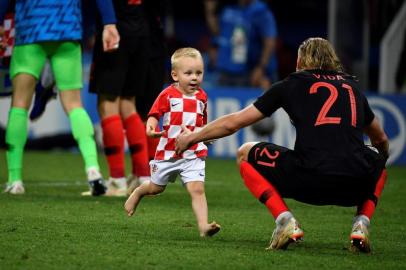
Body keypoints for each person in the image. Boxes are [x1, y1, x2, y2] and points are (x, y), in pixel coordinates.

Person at [176, 38, 389, 252]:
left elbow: (233, 123)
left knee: (244, 153)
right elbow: (380, 140)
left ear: (302, 60)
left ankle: (285, 220)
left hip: (308, 178)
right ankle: (361, 223)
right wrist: (377, 162)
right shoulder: (353, 88)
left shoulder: (292, 83)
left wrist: (193, 137)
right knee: (379, 162)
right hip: (351, 185)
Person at [0, 0, 120, 195]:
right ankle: (93, 171)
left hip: (30, 31)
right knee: (74, 105)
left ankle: (15, 180)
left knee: (20, 104)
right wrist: (109, 22)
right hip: (67, 30)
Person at [124, 47, 221, 237]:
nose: (194, 78)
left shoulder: (202, 96)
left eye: (199, 73)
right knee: (155, 188)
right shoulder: (167, 94)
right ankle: (138, 193)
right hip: (168, 152)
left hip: (193, 153)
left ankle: (203, 226)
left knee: (197, 189)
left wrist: (206, 136)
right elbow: (154, 114)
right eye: (189, 73)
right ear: (175, 75)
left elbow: (203, 123)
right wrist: (150, 127)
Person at [89, 0, 164, 197]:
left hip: (115, 31)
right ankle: (142, 176)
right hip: (141, 33)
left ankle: (117, 180)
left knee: (108, 104)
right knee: (129, 105)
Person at [204, 0, 278, 90]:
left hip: (248, 72)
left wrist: (261, 68)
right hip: (226, 70)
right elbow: (218, 32)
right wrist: (210, 11)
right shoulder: (229, 7)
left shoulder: (261, 12)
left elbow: (269, 43)